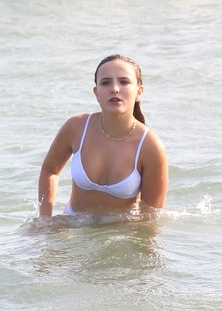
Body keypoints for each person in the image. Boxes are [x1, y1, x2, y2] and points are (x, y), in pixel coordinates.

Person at [38, 54, 168, 217]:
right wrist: (45, 220)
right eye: (106, 83)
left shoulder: (150, 147)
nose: (114, 88)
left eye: (124, 82)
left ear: (138, 92)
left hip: (120, 235)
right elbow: (50, 170)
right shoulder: (76, 128)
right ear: (96, 92)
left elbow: (151, 217)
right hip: (74, 228)